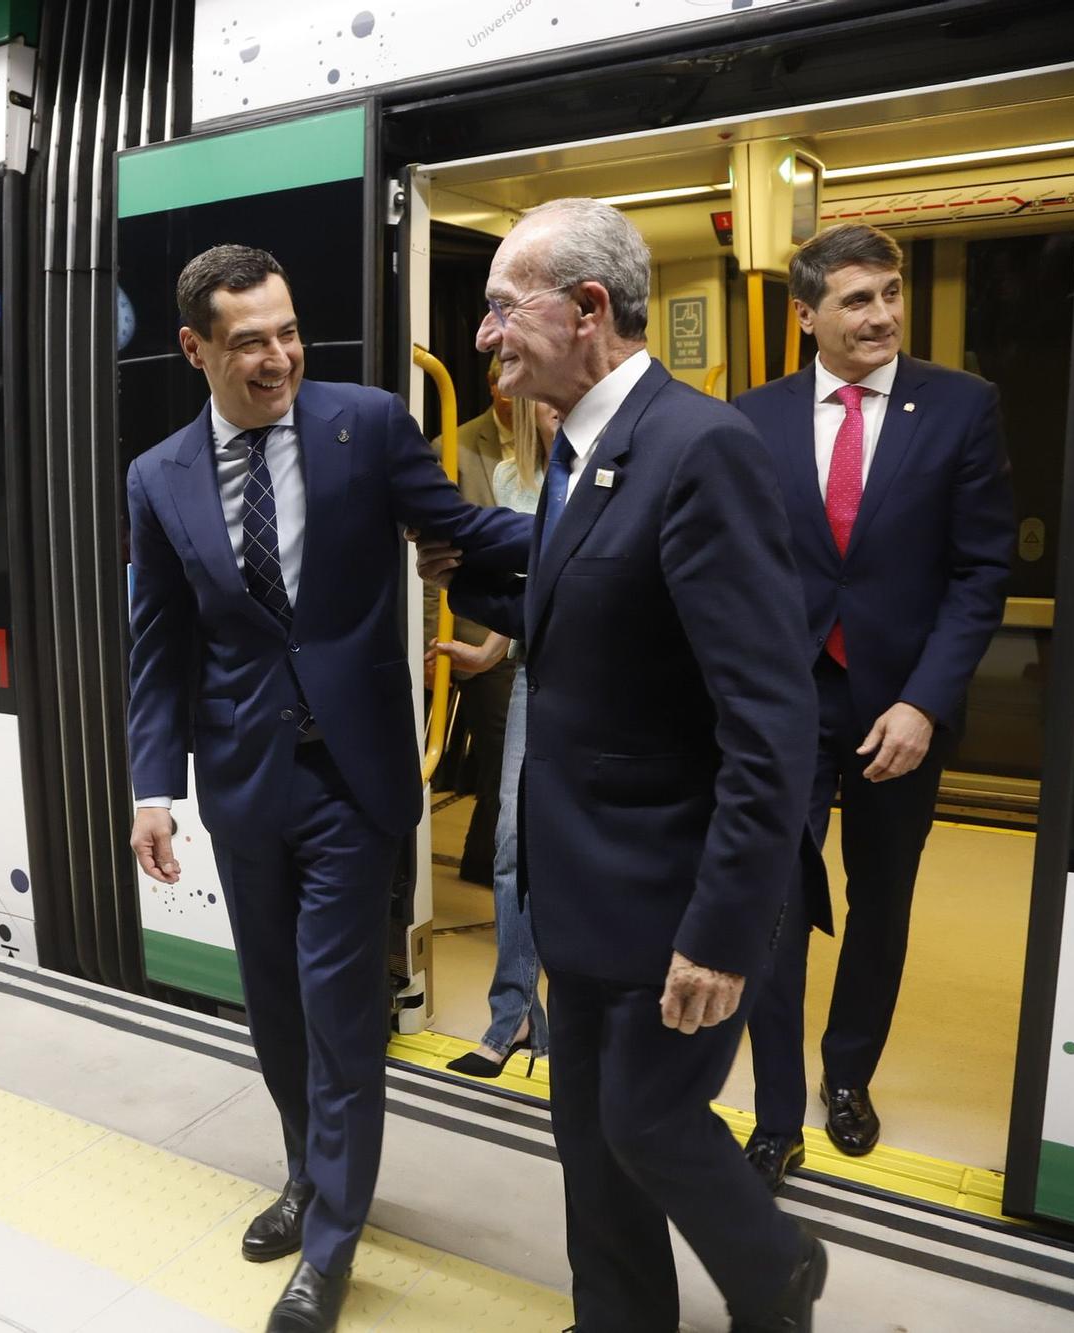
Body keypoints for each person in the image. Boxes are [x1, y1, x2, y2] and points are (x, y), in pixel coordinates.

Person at [418, 198, 826, 1331]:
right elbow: (594, 599)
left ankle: (776, 1265)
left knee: (645, 1119)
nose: (487, 333)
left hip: (669, 894)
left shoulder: (700, 451)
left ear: (586, 308)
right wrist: (459, 560)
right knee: (585, 1127)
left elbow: (769, 717)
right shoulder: (578, 448)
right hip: (585, 884)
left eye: (502, 307)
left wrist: (723, 929)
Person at [126, 244, 529, 1332]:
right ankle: (306, 1171)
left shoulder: (366, 425)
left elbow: (463, 531)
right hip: (245, 786)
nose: (278, 358)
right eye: (249, 340)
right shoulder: (157, 478)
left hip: (350, 779)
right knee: (272, 1011)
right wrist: (152, 786)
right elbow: (159, 644)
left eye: (288, 331)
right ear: (195, 349)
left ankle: (332, 1243)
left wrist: (590, 527)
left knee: (340, 1012)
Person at [734, 223, 1013, 1188]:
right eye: (858, 300)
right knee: (773, 900)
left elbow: (982, 571)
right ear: (806, 314)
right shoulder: (753, 417)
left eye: (891, 294)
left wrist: (927, 703)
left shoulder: (961, 407)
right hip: (789, 701)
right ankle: (775, 1112)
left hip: (903, 707)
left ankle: (846, 1074)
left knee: (879, 901)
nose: (883, 315)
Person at [435, 394, 557, 1082]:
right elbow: (534, 584)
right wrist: (491, 651)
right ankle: (512, 1012)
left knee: (581, 857)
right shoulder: (516, 480)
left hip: (610, 686)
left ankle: (579, 1026)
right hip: (536, 675)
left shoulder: (636, 464)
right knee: (512, 842)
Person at [424, 365, 516, 883]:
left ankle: (484, 859)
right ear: (489, 386)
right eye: (501, 382)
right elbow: (432, 563)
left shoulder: (554, 435)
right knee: (505, 760)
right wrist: (435, 642)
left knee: (509, 766)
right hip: (478, 631)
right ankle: (493, 866)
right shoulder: (453, 446)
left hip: (531, 626)